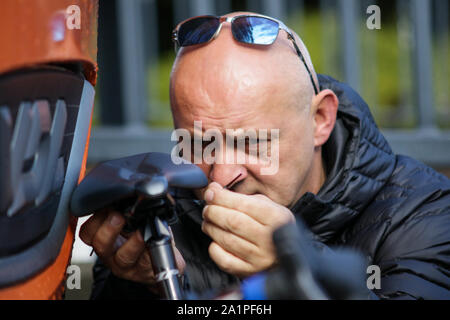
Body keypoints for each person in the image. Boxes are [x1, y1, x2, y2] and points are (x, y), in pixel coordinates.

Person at [80, 12, 450, 299]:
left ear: (321, 119)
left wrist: (304, 266)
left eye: (253, 142)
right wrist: (146, 285)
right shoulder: (163, 215)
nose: (222, 174)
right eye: (200, 144)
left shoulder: (421, 210)